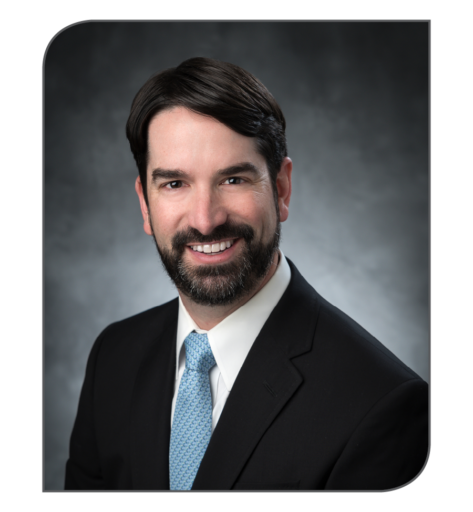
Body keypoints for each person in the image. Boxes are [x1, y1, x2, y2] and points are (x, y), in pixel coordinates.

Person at [65, 57, 428, 491]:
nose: (205, 220)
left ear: (281, 189)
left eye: (233, 179)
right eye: (175, 184)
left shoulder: (381, 406)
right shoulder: (113, 358)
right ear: (145, 203)